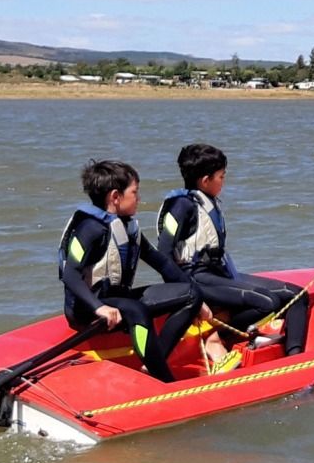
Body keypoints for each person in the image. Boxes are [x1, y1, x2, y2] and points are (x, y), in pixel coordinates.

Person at [59, 159, 208, 383]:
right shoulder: (89, 229)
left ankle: (154, 362)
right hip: (88, 308)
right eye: (135, 192)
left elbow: (161, 262)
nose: (139, 198)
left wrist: (199, 299)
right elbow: (70, 274)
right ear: (115, 197)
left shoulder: (126, 226)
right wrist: (99, 308)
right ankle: (164, 379)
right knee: (136, 310)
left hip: (118, 299)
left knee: (191, 294)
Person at [157, 143, 308, 359]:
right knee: (268, 303)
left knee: (297, 296)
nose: (224, 182)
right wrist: (188, 297)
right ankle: (213, 335)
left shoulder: (207, 201)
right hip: (197, 278)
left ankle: (296, 357)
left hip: (220, 273)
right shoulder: (181, 207)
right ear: (205, 180)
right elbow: (163, 254)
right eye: (221, 177)